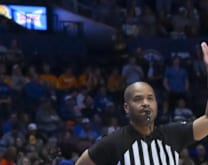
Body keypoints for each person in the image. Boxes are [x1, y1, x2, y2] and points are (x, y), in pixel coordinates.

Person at [76, 42, 208, 164]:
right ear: (126, 107)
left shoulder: (172, 134)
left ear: (156, 104)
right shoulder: (113, 142)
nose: (146, 103)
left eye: (150, 98)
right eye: (138, 99)